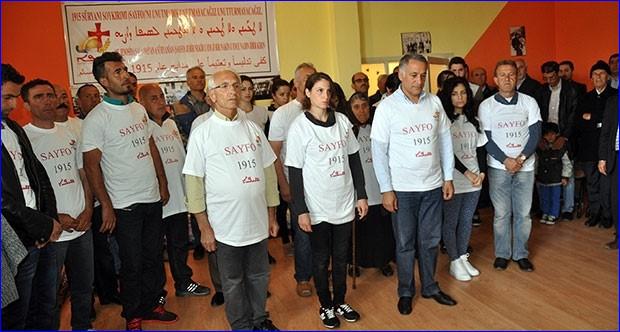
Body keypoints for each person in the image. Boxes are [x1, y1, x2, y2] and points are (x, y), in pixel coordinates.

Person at [82, 52, 176, 330]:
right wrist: (106, 206)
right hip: (124, 205)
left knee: (153, 258)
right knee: (132, 263)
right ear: (103, 81)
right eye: (117, 72)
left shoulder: (137, 108)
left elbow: (150, 146)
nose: (124, 76)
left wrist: (162, 181)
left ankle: (152, 305)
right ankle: (132, 315)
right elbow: (91, 166)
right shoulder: (97, 118)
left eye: (124, 70)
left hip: (150, 197)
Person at [182, 69, 279, 331]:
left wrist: (272, 215)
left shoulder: (252, 129)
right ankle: (241, 325)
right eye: (224, 86)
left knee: (259, 276)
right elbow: (193, 183)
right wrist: (203, 227)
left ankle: (259, 319)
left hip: (257, 221)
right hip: (225, 226)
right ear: (211, 96)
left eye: (235, 85)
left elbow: (269, 173)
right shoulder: (203, 133)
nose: (233, 91)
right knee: (233, 280)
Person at [371, 54, 457, 315]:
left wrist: (448, 176)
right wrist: (386, 189)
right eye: (413, 75)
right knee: (406, 243)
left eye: (423, 75)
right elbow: (378, 151)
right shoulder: (387, 108)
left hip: (432, 186)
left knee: (430, 240)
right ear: (400, 74)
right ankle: (406, 291)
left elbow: (444, 141)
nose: (419, 80)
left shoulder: (434, 103)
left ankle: (430, 286)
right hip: (403, 190)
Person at [286, 72, 368, 329]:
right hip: (316, 206)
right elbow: (295, 171)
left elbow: (354, 159)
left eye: (328, 91)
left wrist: (361, 194)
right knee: (321, 258)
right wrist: (301, 210)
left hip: (343, 201)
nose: (324, 96)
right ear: (308, 93)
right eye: (319, 90)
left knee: (341, 255)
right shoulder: (299, 126)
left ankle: (340, 300)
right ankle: (326, 305)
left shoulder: (342, 121)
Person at [22, 78, 95, 330]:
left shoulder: (70, 131)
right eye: (39, 97)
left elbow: (83, 173)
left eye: (50, 95)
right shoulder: (24, 138)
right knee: (49, 295)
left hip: (82, 224)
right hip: (52, 230)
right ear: (26, 104)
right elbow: (28, 188)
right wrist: (53, 217)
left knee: (84, 286)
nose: (47, 101)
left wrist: (88, 208)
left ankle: (83, 326)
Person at [1, 64, 62, 330]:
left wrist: (49, 221)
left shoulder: (13, 129)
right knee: (18, 314)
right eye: (7, 98)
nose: (13, 104)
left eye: (14, 97)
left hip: (40, 234)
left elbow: (38, 176)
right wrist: (41, 226)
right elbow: (3, 201)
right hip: (15, 240)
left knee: (47, 304)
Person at [139, 84, 211, 297]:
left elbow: (182, 158)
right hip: (157, 199)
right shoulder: (142, 128)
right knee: (154, 251)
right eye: (154, 98)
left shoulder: (171, 124)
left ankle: (183, 283)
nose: (161, 101)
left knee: (179, 245)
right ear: (141, 104)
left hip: (179, 197)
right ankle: (158, 291)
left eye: (161, 96)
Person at [478, 59, 541, 272]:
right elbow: (487, 138)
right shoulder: (486, 106)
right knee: (502, 213)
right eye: (502, 75)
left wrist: (520, 159)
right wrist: (506, 160)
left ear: (517, 77)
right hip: (498, 167)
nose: (507, 78)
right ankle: (502, 253)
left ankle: (521, 253)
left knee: (523, 213)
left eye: (511, 74)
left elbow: (535, 134)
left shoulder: (529, 102)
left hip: (526, 167)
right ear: (495, 79)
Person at [268, 62, 317, 298]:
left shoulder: (323, 109)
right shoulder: (283, 113)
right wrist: (283, 185)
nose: (311, 81)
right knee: (303, 233)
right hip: (296, 185)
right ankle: (303, 277)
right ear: (296, 84)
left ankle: (320, 272)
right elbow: (274, 154)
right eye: (306, 78)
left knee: (323, 231)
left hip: (322, 186)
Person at [437, 76, 487, 282]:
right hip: (453, 180)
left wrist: (481, 173)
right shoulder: (443, 122)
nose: (460, 97)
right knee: (451, 222)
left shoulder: (475, 121)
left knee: (466, 220)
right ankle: (454, 260)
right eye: (455, 93)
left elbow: (481, 150)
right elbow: (445, 153)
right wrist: (467, 173)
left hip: (474, 181)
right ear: (448, 96)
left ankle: (462, 258)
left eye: (463, 92)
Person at [345, 92, 395, 277]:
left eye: (364, 106)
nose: (361, 110)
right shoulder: (348, 132)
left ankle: (382, 260)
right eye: (356, 107)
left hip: (379, 186)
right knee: (359, 230)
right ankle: (354, 262)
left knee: (381, 229)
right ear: (350, 109)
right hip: (359, 189)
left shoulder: (379, 128)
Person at [574, 60, 617, 228]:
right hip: (589, 148)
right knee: (592, 183)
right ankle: (595, 213)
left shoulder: (614, 96)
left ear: (608, 77)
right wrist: (597, 121)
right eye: (595, 74)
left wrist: (592, 118)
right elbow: (578, 121)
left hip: (608, 149)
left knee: (607, 184)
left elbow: (610, 123)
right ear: (591, 77)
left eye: (602, 74)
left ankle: (608, 216)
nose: (598, 77)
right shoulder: (585, 97)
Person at [539, 61, 579, 221]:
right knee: (545, 171)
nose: (549, 80)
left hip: (564, 135)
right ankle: (546, 208)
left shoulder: (571, 89)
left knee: (567, 171)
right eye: (546, 77)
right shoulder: (542, 91)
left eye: (552, 77)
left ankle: (568, 208)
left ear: (558, 74)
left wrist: (564, 137)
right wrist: (541, 137)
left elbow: (573, 115)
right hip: (546, 136)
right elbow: (539, 115)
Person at [535, 122, 572, 225]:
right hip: (542, 178)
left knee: (555, 197)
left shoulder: (561, 146)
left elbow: (567, 163)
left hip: (556, 179)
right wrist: (535, 174)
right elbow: (536, 162)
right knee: (544, 197)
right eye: (547, 134)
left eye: (552, 134)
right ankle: (545, 212)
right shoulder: (540, 146)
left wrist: (565, 176)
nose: (550, 137)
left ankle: (554, 214)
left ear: (557, 134)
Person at [598, 95, 618, 249]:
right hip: (615, 156)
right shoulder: (613, 100)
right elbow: (605, 130)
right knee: (616, 199)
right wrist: (602, 158)